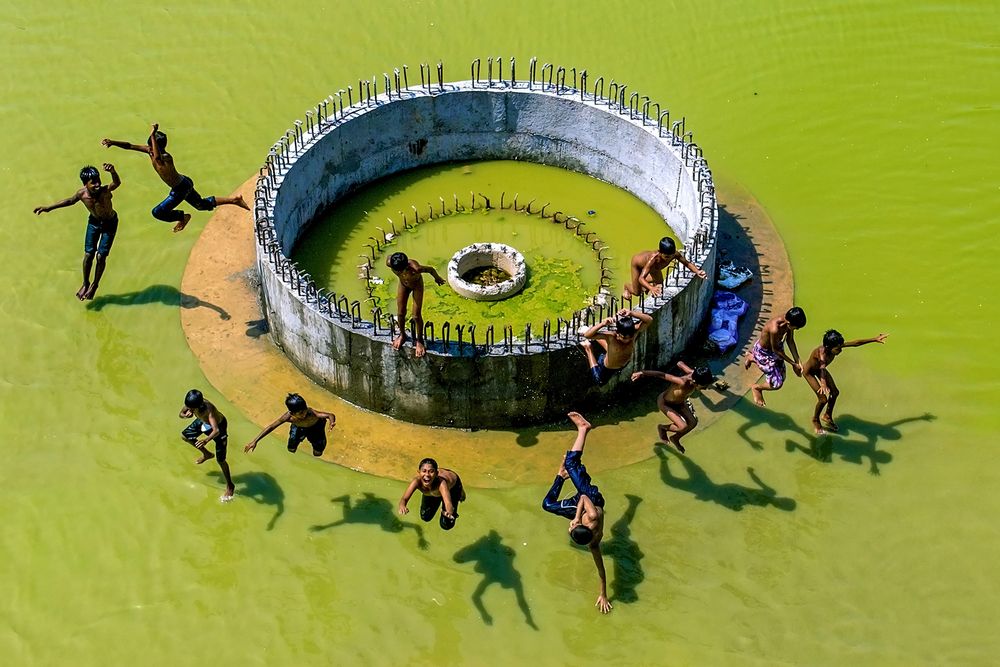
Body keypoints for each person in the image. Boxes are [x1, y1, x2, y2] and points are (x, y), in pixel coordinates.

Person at [102, 124, 249, 232]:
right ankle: (234, 200)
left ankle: (182, 217)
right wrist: (113, 142)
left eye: (152, 146)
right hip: (184, 183)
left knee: (157, 212)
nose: (150, 149)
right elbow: (130, 146)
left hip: (180, 188)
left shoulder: (165, 157)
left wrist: (153, 134)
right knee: (202, 205)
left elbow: (158, 157)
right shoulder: (150, 151)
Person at [541, 412, 612, 614]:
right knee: (572, 463)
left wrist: (603, 594)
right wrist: (574, 518)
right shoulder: (592, 517)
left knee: (547, 504)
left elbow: (601, 571)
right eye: (573, 528)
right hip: (589, 497)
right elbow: (583, 499)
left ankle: (560, 476)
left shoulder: (594, 543)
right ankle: (583, 429)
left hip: (578, 508)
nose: (570, 527)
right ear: (581, 525)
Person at [34, 164, 121, 300]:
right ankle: (85, 283)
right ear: (85, 184)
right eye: (93, 183)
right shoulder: (82, 194)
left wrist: (113, 172)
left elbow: (116, 183)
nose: (98, 184)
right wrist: (48, 208)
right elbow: (69, 201)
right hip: (94, 223)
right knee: (88, 254)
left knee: (101, 256)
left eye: (98, 180)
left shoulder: (105, 191)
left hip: (110, 223)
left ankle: (95, 285)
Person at [802, 330, 889, 434]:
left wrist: (874, 339)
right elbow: (822, 369)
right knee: (823, 399)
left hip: (821, 371)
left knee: (835, 392)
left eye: (840, 347)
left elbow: (856, 343)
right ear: (828, 347)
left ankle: (827, 416)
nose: (840, 350)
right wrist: (823, 384)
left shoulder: (835, 345)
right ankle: (815, 420)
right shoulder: (822, 354)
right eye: (838, 348)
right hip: (809, 372)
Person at [631, 362, 716, 453]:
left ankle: (675, 438)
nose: (706, 388)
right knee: (682, 427)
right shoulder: (682, 382)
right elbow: (661, 374)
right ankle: (663, 428)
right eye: (703, 387)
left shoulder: (694, 373)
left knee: (693, 422)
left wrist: (682, 366)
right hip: (666, 403)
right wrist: (642, 373)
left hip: (680, 403)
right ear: (695, 382)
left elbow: (679, 363)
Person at [178, 389, 235, 502]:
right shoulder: (190, 404)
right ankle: (207, 454)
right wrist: (186, 416)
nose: (188, 409)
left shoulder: (209, 410)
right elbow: (181, 414)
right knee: (185, 436)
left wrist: (206, 440)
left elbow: (216, 430)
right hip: (203, 422)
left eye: (191, 409)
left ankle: (230, 485)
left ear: (199, 406)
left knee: (221, 460)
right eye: (188, 407)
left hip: (219, 427)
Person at [744, 307, 807, 407]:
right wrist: (793, 364)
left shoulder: (787, 322)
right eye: (796, 327)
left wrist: (798, 361)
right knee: (777, 384)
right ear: (789, 323)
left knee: (782, 375)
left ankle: (752, 357)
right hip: (765, 353)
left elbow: (790, 341)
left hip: (776, 349)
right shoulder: (775, 329)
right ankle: (757, 388)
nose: (797, 329)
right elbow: (775, 350)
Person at [386, 252, 445, 358]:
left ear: (406, 266)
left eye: (401, 270)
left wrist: (437, 278)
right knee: (400, 313)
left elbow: (430, 269)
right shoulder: (391, 263)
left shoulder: (416, 269)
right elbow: (389, 256)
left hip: (416, 285)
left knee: (416, 316)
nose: (399, 272)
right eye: (396, 271)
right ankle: (402, 335)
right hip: (404, 284)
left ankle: (420, 340)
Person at [244, 393, 337, 457]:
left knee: (318, 453)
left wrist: (331, 422)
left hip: (316, 427)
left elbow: (329, 415)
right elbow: (271, 427)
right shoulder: (288, 417)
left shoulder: (311, 413)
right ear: (292, 413)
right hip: (298, 427)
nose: (304, 414)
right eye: (300, 413)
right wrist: (255, 441)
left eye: (304, 410)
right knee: (291, 449)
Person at [580, 308, 653, 385]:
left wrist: (631, 313)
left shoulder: (634, 332)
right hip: (607, 367)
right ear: (618, 333)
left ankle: (605, 350)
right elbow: (587, 335)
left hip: (621, 362)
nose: (627, 340)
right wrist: (602, 324)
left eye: (630, 337)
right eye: (624, 337)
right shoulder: (611, 336)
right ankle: (588, 348)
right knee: (599, 381)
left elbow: (649, 320)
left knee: (615, 348)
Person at [623, 236, 707, 299]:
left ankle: (645, 286)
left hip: (655, 269)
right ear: (660, 253)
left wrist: (697, 271)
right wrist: (651, 288)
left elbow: (687, 263)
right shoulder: (653, 259)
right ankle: (627, 287)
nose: (669, 258)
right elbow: (641, 278)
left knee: (660, 285)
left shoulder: (675, 254)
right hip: (638, 264)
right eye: (667, 257)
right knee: (637, 293)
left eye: (671, 256)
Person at [397, 458, 465, 530]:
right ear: (419, 472)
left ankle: (461, 491)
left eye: (431, 472)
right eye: (424, 471)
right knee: (425, 517)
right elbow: (404, 499)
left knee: (446, 524)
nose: (427, 475)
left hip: (453, 487)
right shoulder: (416, 482)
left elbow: (448, 503)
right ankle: (438, 496)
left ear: (436, 474)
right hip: (433, 492)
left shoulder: (441, 483)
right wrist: (402, 506)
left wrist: (449, 511)